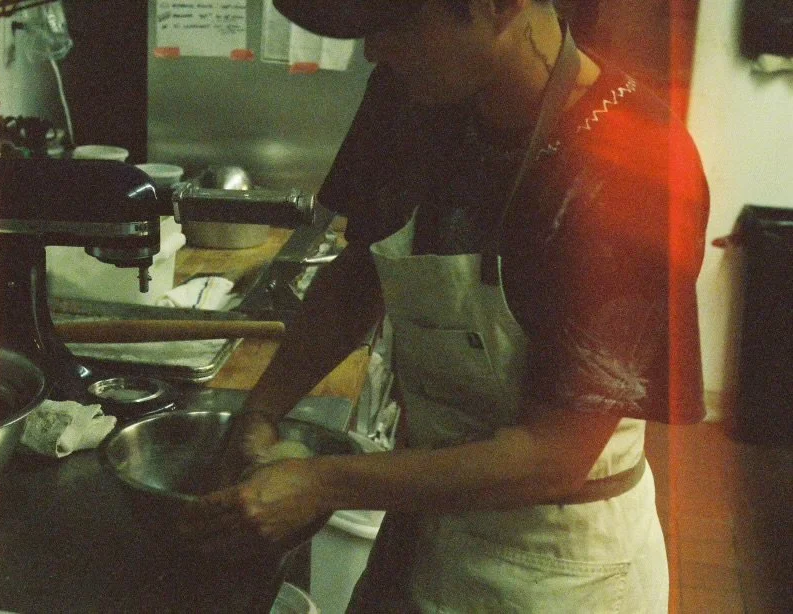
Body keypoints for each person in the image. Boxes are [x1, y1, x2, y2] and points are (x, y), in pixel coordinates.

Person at [200, 1, 710, 611]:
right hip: (422, 528)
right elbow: (360, 275)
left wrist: (323, 482)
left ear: (502, 8)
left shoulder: (637, 164)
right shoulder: (407, 97)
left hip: (554, 562)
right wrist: (260, 412)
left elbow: (555, 455)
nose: (372, 49)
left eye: (396, 23)